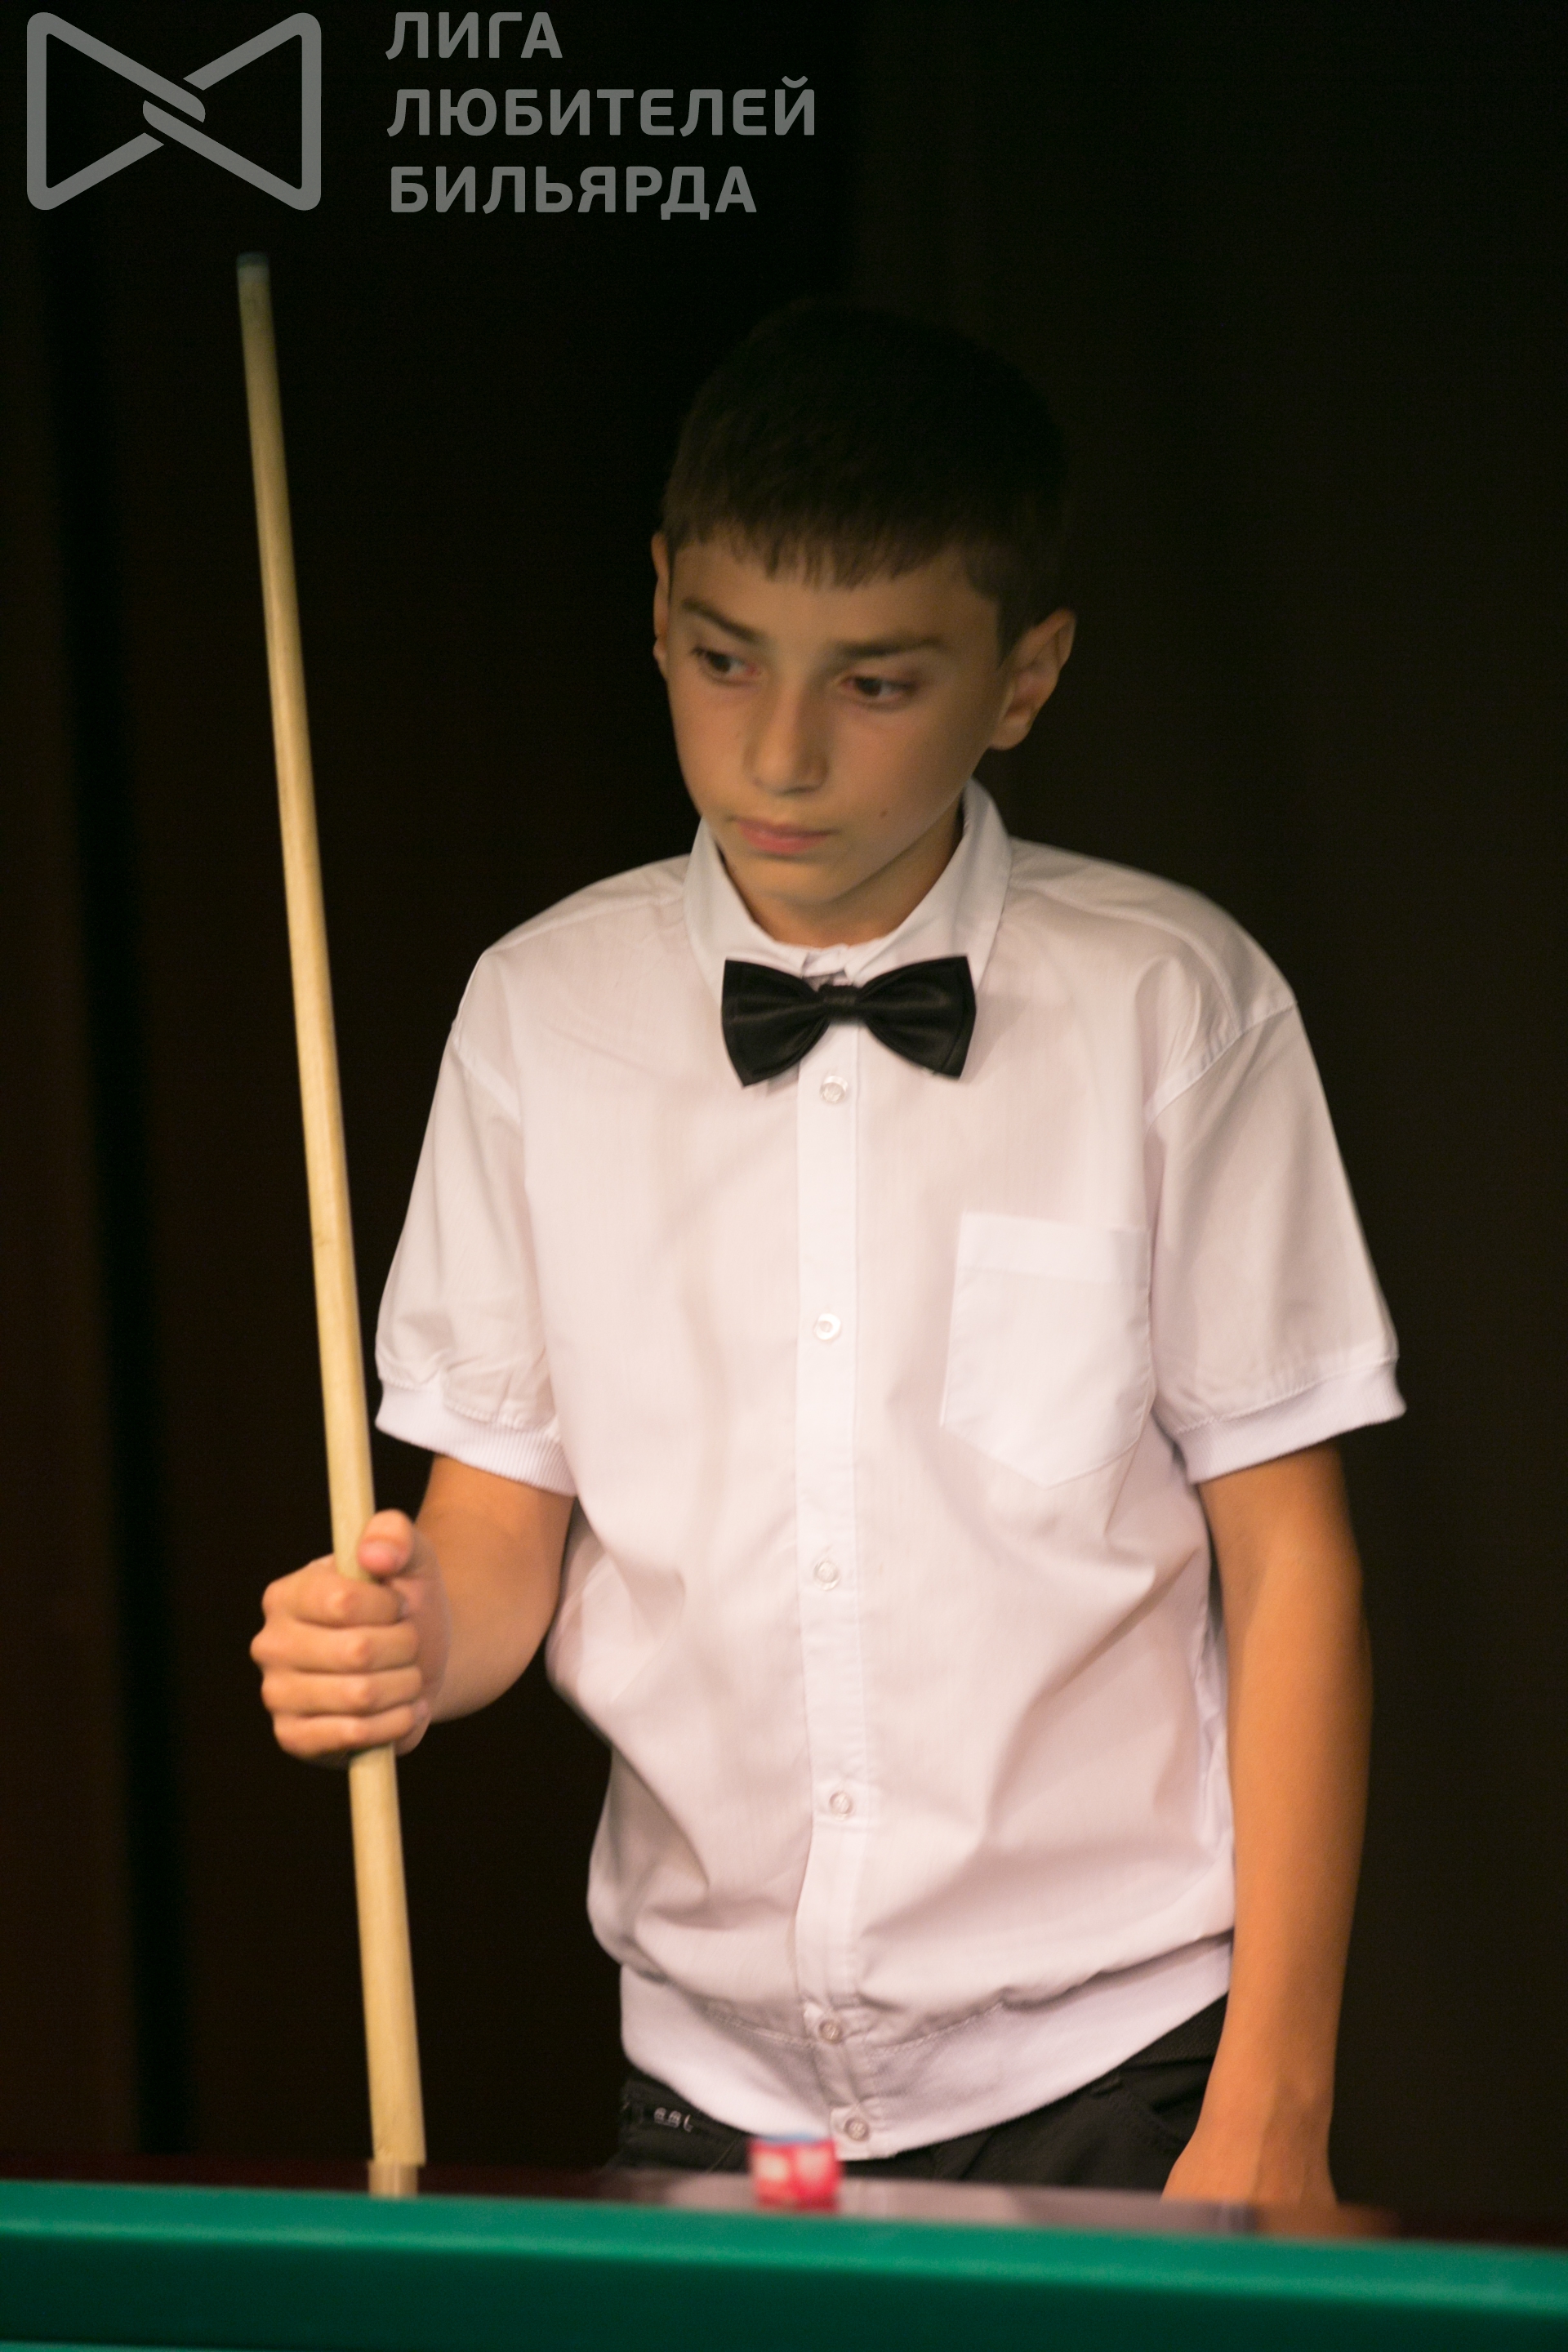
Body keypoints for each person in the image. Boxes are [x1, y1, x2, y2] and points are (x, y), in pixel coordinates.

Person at [252, 303, 1401, 2202]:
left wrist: (1274, 2103)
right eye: (725, 660)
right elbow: (499, 1537)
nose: (778, 754)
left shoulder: (1176, 1005)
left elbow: (1292, 1569)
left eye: (874, 683)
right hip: (704, 2086)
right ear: (656, 610)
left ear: (1024, 678)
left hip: (1122, 2068)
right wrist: (409, 1642)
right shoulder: (537, 1012)